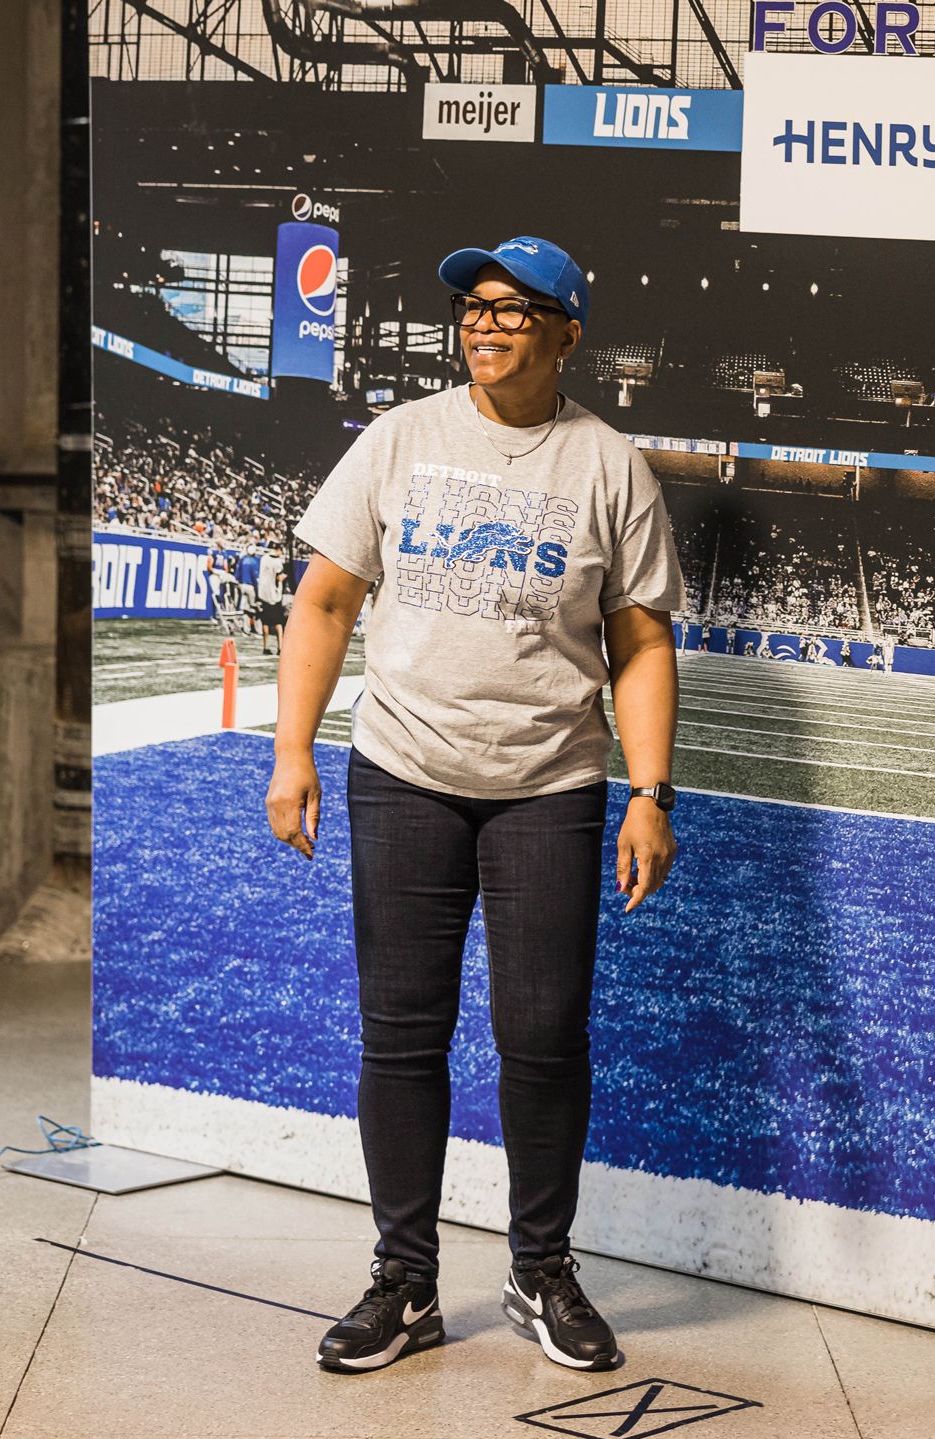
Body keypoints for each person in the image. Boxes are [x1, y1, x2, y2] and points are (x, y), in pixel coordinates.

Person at [266, 235, 685, 1377]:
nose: (485, 324)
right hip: (401, 774)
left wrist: (649, 791)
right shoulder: (400, 440)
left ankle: (540, 1271)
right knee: (401, 1038)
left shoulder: (609, 467)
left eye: (514, 309)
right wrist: (290, 749)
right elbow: (325, 602)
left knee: (543, 1040)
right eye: (472, 307)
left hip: (548, 787)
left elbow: (641, 643)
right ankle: (402, 1281)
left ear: (567, 333)